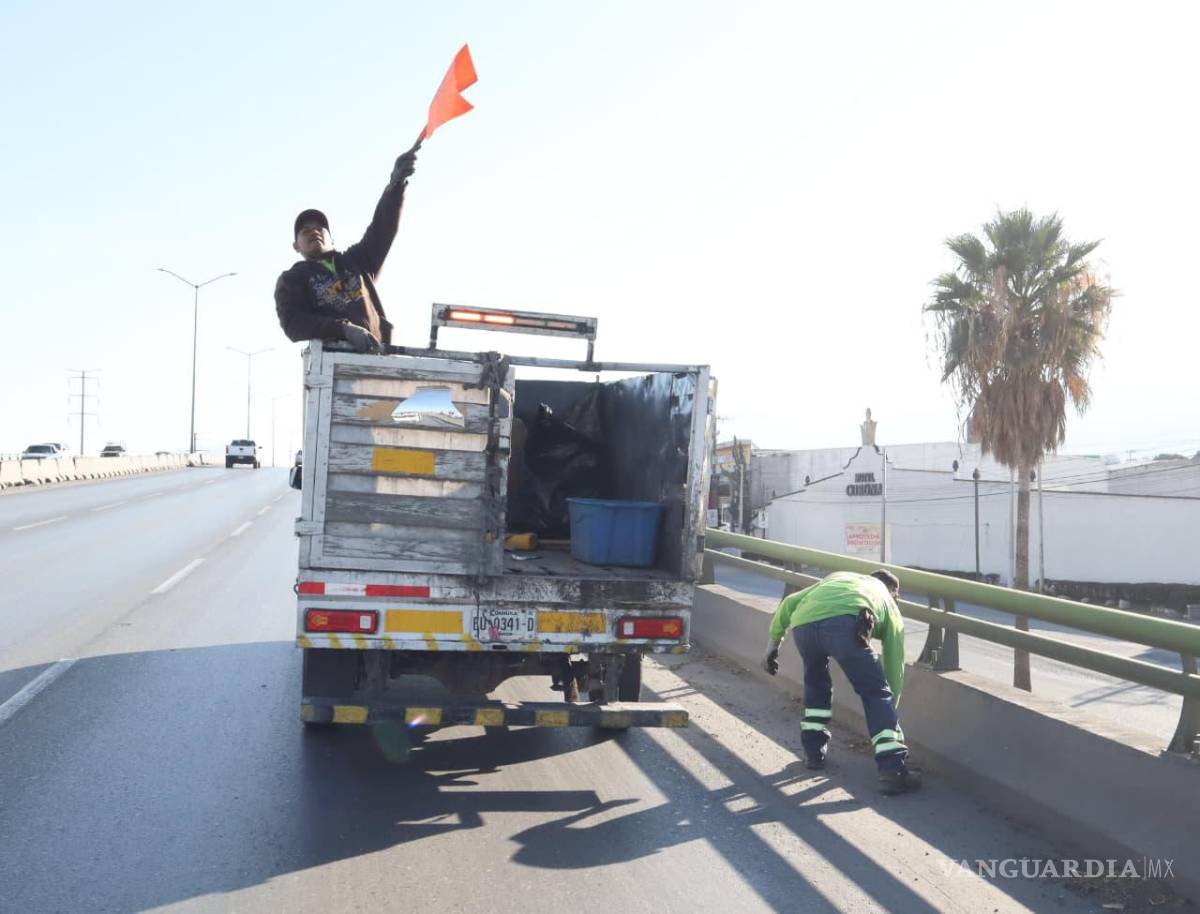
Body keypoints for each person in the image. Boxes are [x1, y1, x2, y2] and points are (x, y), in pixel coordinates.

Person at [762, 569, 921, 794]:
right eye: (897, 597)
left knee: (816, 683)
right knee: (876, 693)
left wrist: (772, 646)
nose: (896, 601)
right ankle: (892, 770)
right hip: (846, 624)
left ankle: (813, 753)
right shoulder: (888, 601)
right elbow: (894, 666)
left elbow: (789, 602)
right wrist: (889, 715)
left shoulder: (842, 577)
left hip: (804, 626)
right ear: (893, 591)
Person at [274, 146, 419, 353]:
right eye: (305, 231)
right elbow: (293, 324)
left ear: (332, 239)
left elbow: (382, 228)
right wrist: (343, 329)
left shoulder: (357, 262)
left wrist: (395, 186)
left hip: (378, 358)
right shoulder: (293, 279)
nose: (313, 231)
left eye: (319, 228)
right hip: (333, 364)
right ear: (296, 246)